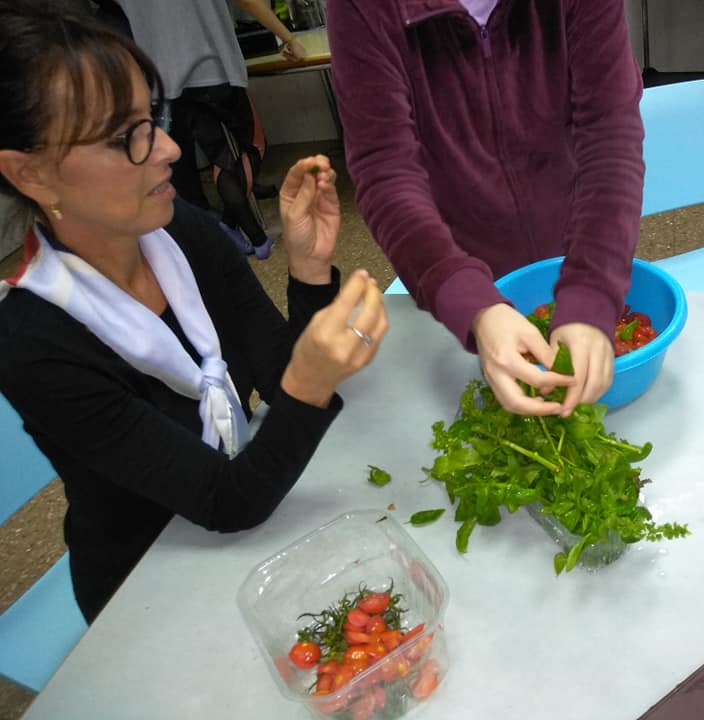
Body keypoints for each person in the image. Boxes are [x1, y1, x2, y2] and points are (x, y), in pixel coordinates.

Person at [0, 4, 388, 623]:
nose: (170, 148)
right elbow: (226, 499)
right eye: (125, 136)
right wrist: (310, 380)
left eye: (153, 117)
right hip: (146, 584)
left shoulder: (179, 230)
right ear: (32, 174)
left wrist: (309, 271)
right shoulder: (35, 342)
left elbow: (278, 374)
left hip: (247, 515)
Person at [326, 0, 645, 417]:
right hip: (452, 269)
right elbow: (385, 171)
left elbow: (611, 137)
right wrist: (472, 304)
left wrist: (591, 290)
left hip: (578, 247)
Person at [116, 0, 309, 260]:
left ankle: (243, 233)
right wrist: (288, 38)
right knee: (249, 150)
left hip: (163, 78)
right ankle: (249, 234)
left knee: (213, 157)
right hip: (212, 67)